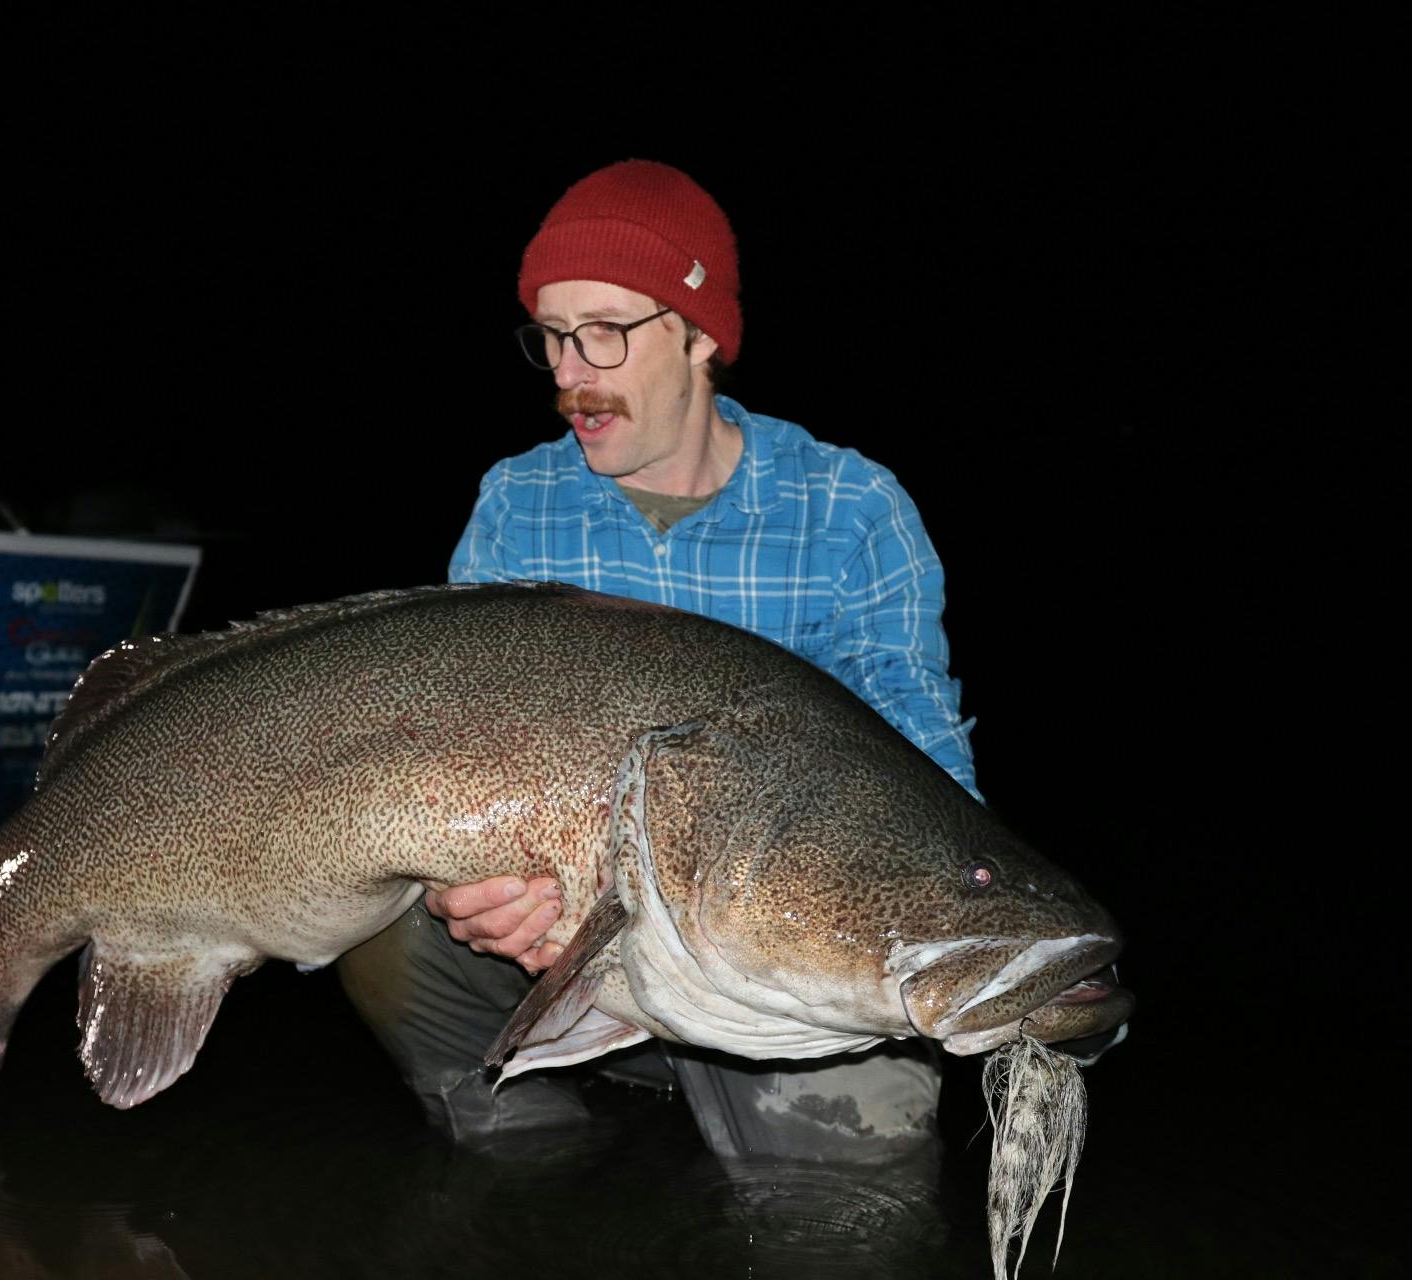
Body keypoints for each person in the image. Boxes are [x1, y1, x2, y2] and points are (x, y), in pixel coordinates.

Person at [336, 159, 977, 1161]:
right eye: (550, 336)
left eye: (603, 331)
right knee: (383, 918)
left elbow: (929, 772)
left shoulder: (853, 511)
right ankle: (524, 1154)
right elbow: (451, 752)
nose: (567, 371)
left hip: (770, 958)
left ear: (701, 335)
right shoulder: (516, 502)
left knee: (844, 1210)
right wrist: (474, 888)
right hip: (569, 947)